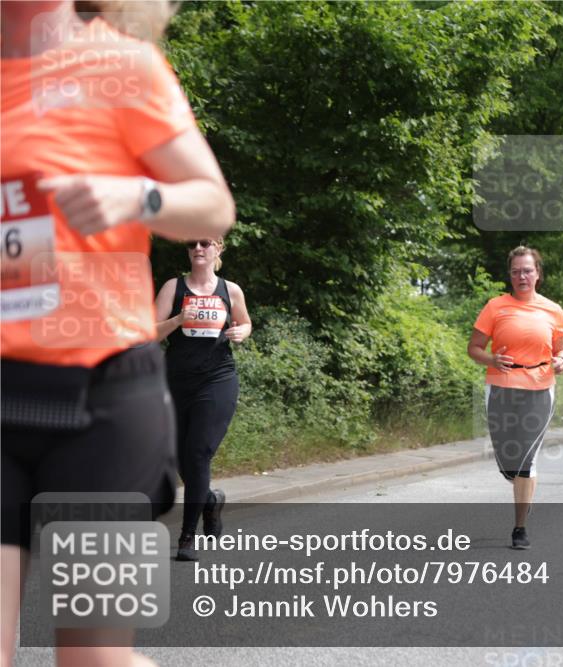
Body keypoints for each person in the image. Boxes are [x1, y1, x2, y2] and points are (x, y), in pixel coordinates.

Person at [1, 1, 235, 664]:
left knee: (92, 659)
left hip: (102, 406)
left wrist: (135, 197)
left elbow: (213, 203)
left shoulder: (121, 65)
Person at [155, 238, 250, 561]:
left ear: (217, 249)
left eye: (206, 243)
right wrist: (179, 320)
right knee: (179, 456)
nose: (198, 247)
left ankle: (186, 538)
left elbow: (246, 322)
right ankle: (209, 500)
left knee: (198, 454)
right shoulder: (173, 287)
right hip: (176, 381)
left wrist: (241, 332)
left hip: (218, 380)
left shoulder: (230, 290)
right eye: (193, 243)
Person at [467, 247, 563, 550]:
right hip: (501, 384)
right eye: (515, 271)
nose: (521, 276)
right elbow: (474, 348)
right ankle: (523, 488)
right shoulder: (495, 307)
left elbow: (562, 348)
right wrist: (491, 360)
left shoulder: (553, 310)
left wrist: (562, 359)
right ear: (510, 275)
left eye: (527, 270)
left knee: (526, 458)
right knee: (508, 461)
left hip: (540, 386)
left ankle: (519, 527)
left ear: (538, 273)